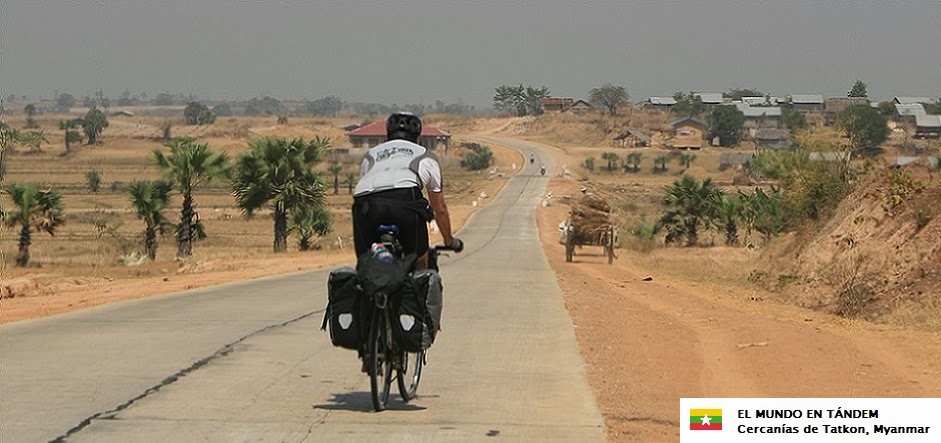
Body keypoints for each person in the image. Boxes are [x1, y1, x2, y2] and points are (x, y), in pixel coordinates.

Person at [352, 112, 463, 269]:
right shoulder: (426, 156)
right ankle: (419, 286)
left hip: (365, 205)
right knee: (419, 259)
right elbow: (440, 209)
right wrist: (449, 240)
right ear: (418, 136)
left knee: (366, 261)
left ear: (388, 135)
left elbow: (366, 186)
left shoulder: (370, 155)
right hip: (405, 201)